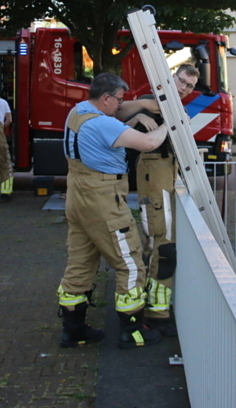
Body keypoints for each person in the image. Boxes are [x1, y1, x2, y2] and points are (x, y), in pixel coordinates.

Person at [57, 73, 168, 350]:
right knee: (129, 263)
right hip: (103, 198)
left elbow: (116, 125)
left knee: (80, 261)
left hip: (77, 194)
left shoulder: (77, 113)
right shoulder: (103, 124)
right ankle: (131, 332)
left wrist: (134, 119)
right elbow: (150, 143)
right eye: (117, 100)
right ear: (105, 98)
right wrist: (170, 125)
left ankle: (73, 331)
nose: (120, 106)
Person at [120, 64, 200, 338]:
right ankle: (156, 313)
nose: (183, 88)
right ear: (171, 78)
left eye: (188, 86)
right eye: (181, 81)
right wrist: (138, 120)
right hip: (153, 171)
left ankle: (156, 308)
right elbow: (118, 116)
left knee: (160, 243)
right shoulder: (154, 104)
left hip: (165, 171)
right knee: (162, 245)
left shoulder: (176, 109)